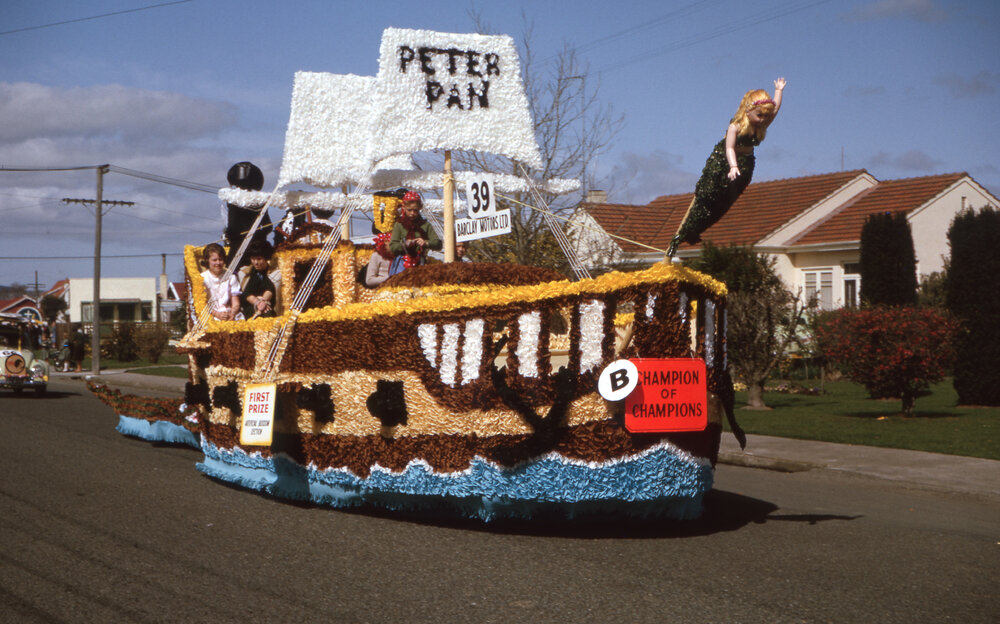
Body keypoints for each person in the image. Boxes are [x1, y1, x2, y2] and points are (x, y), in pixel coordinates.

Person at [666, 78, 786, 259]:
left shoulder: (762, 125)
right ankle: (685, 231)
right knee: (706, 198)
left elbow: (775, 109)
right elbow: (729, 148)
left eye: (765, 116)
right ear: (748, 110)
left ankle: (696, 229)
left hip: (745, 165)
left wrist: (779, 90)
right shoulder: (735, 127)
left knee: (724, 203)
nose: (763, 119)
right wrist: (733, 165)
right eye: (759, 115)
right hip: (723, 162)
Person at [389, 190, 441, 274]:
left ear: (419, 209)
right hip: (402, 266)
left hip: (420, 264)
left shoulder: (425, 225)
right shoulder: (399, 225)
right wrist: (405, 244)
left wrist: (426, 243)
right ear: (404, 208)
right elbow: (392, 246)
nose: (412, 213)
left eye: (415, 210)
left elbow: (438, 244)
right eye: (409, 210)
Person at [201, 243, 244, 321]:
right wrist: (217, 314)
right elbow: (202, 304)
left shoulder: (231, 277)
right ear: (208, 261)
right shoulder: (202, 278)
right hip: (210, 313)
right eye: (214, 260)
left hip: (229, 313)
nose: (218, 263)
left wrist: (232, 314)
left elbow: (236, 303)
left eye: (220, 259)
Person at [239, 240, 277, 319]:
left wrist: (264, 301)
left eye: (259, 259)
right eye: (253, 259)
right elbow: (246, 293)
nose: (256, 262)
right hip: (250, 308)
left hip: (269, 307)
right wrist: (257, 303)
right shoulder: (245, 273)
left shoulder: (276, 273)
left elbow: (270, 288)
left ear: (266, 258)